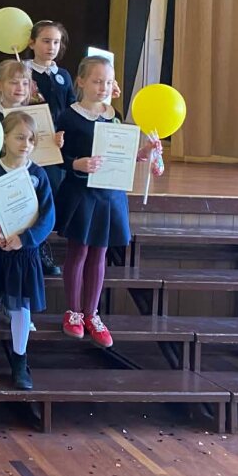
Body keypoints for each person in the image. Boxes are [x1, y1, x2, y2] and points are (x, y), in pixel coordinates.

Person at [56, 56, 159, 348]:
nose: (103, 87)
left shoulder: (114, 116)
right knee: (79, 251)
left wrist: (143, 152)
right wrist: (76, 163)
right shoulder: (68, 117)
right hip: (81, 194)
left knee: (100, 253)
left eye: (108, 81)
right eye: (97, 81)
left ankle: (92, 314)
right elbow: (56, 157)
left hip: (109, 195)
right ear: (81, 81)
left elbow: (121, 155)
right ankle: (73, 312)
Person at [0, 112, 56, 390]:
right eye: (20, 137)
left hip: (24, 253)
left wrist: (26, 239)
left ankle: (20, 362)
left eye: (31, 140)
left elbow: (48, 217)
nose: (26, 144)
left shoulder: (38, 174)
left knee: (21, 308)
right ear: (4, 138)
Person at [0, 58, 63, 278]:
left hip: (30, 174)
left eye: (25, 83)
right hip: (0, 174)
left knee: (36, 204)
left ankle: (37, 246)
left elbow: (44, 144)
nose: (20, 88)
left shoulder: (36, 116)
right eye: (14, 82)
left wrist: (55, 141)